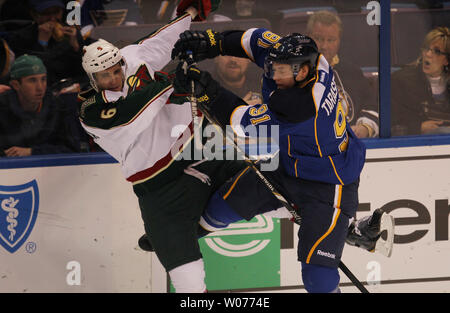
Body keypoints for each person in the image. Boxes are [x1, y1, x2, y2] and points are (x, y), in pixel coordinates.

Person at [172, 28, 394, 293]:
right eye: (273, 68)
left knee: (318, 279)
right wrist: (213, 42)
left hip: (329, 185)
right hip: (290, 163)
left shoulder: (302, 106)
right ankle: (174, 242)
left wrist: (206, 90)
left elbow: (239, 123)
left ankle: (346, 227)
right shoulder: (308, 60)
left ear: (302, 72)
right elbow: (255, 39)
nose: (273, 75)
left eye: (281, 71)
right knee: (220, 207)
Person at [77, 0, 238, 293]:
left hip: (200, 151)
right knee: (187, 280)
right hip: (161, 190)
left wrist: (189, 13)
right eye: (105, 76)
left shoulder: (131, 60)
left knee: (267, 176)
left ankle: (317, 217)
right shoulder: (91, 113)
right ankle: (184, 231)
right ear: (93, 79)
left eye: (116, 70)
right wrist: (172, 82)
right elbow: (133, 114)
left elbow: (161, 42)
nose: (114, 79)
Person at [306, 10, 379, 138]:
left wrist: (365, 127)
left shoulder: (353, 73)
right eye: (318, 39)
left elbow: (371, 106)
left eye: (331, 40)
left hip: (349, 147)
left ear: (339, 41)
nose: (324, 46)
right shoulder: (292, 72)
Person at [0, 54, 80, 157]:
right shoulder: (2, 108)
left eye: (43, 79)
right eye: (32, 80)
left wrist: (32, 152)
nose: (40, 87)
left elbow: (73, 149)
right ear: (16, 85)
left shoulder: (58, 107)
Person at [4, 0, 89, 86]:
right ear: (34, 15)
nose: (52, 18)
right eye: (46, 13)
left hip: (73, 86)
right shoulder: (21, 38)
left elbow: (84, 72)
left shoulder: (72, 34)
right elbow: (32, 74)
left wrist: (76, 48)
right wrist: (42, 44)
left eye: (56, 12)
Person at [391, 26, 450, 135]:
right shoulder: (401, 81)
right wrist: (417, 127)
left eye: (436, 51)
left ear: (446, 60)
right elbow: (391, 123)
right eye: (426, 48)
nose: (428, 54)